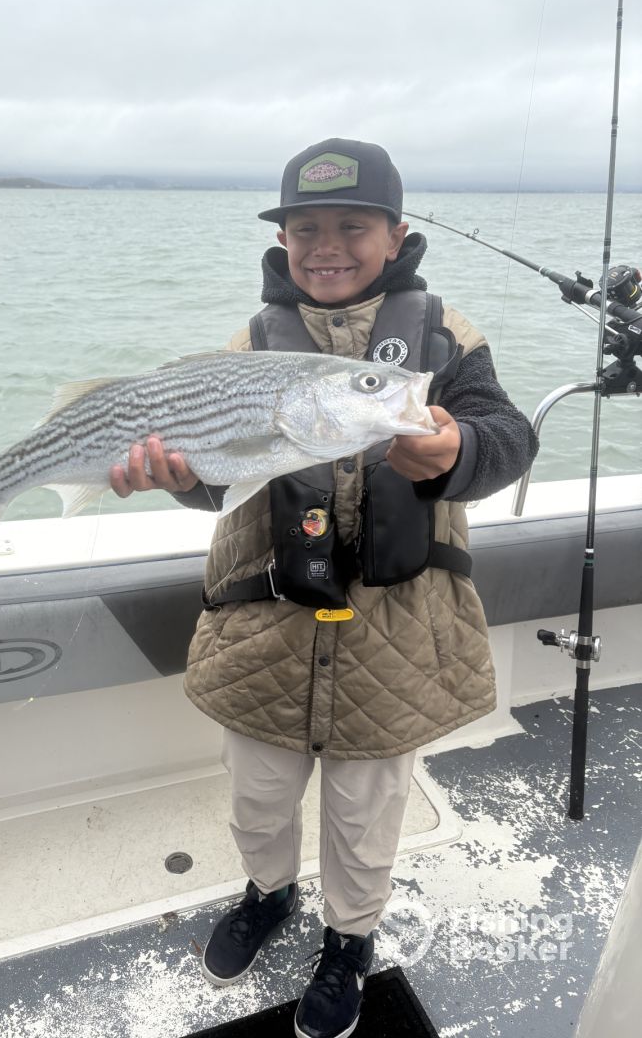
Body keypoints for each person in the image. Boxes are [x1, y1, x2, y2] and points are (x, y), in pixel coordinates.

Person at [110, 137, 538, 1038]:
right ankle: (267, 894)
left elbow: (507, 439)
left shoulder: (445, 337)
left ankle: (350, 940)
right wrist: (174, 477)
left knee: (365, 812)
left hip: (395, 635)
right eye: (307, 229)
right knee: (257, 795)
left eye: (353, 226)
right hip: (264, 629)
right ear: (283, 240)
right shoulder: (249, 345)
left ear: (396, 235)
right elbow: (220, 485)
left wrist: (457, 449)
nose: (327, 247)